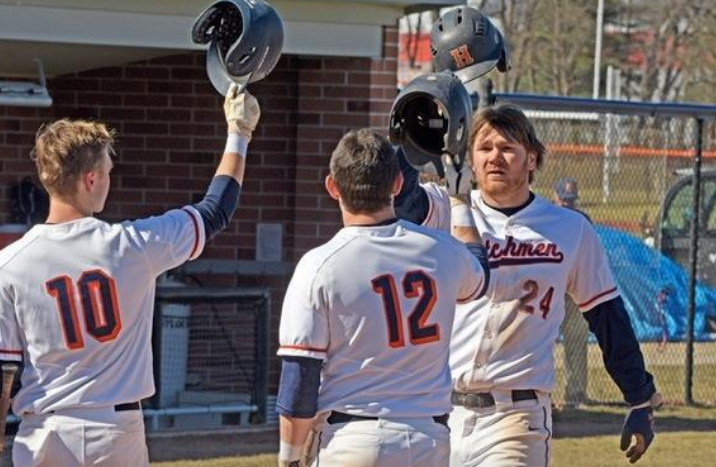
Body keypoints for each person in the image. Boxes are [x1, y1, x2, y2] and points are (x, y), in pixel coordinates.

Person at [0, 83, 260, 467]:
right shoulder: (132, 245)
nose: (108, 178)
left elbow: (3, 371)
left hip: (45, 432)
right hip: (115, 430)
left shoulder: (10, 263)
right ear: (90, 179)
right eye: (106, 171)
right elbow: (215, 210)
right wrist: (239, 133)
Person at [394, 103, 661, 466]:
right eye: (484, 148)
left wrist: (639, 396)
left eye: (507, 148)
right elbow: (396, 195)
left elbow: (607, 316)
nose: (495, 158)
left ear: (532, 159)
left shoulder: (568, 228)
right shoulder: (447, 207)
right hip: (438, 410)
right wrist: (420, 124)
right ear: (469, 159)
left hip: (515, 417)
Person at [275, 129, 489, 467]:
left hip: (352, 437)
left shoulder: (319, 265)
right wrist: (460, 200)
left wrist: (289, 458)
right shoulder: (440, 249)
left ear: (333, 187)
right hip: (427, 438)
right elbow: (480, 274)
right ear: (397, 184)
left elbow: (300, 378)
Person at [552, 177, 590, 405]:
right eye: (564, 199)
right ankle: (538, 392)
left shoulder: (583, 221)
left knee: (577, 343)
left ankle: (575, 393)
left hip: (574, 293)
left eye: (571, 200)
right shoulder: (545, 218)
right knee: (540, 341)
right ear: (555, 197)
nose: (567, 204)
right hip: (551, 292)